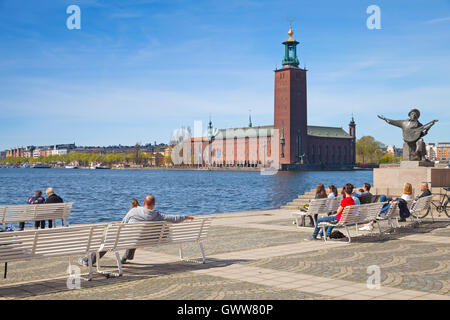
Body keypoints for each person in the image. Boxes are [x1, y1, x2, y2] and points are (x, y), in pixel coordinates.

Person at [78, 195, 194, 266]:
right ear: (153, 205)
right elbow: (173, 218)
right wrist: (185, 217)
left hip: (130, 239)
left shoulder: (134, 211)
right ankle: (126, 257)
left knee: (110, 241)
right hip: (145, 240)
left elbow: (123, 224)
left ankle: (88, 261)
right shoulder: (158, 215)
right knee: (135, 236)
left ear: (144, 203)